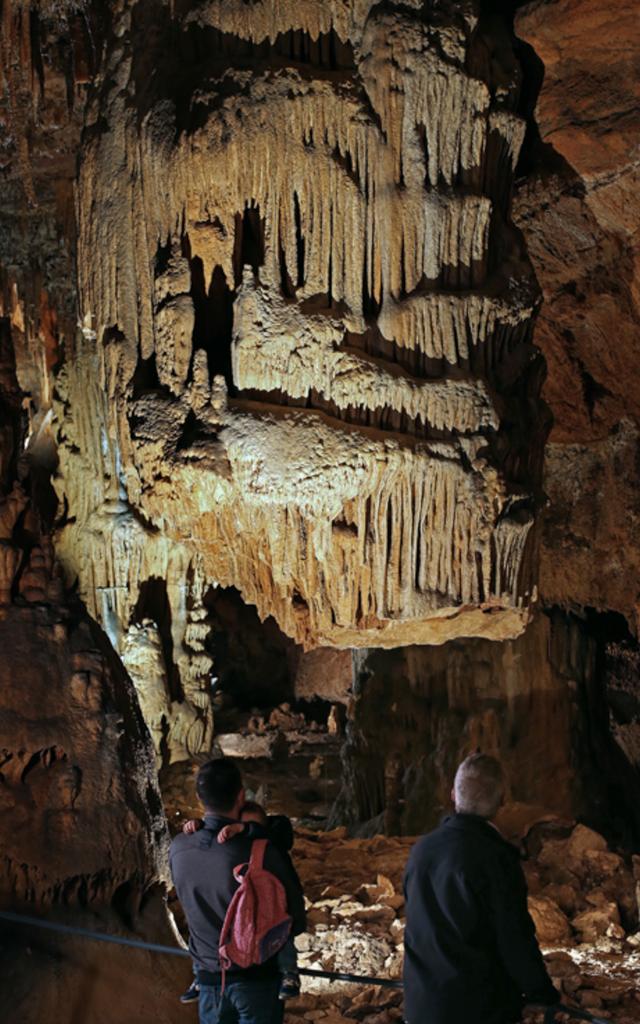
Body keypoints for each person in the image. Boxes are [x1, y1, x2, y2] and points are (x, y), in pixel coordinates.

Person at [403, 753, 559, 1024]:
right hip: (477, 1010)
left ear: (453, 794)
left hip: (422, 1006)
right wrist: (541, 991)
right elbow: (513, 938)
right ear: (502, 801)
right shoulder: (497, 859)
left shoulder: (421, 851)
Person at [170, 759, 306, 1024]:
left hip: (209, 982)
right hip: (257, 982)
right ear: (241, 796)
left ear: (199, 798)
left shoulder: (178, 848)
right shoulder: (261, 851)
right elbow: (296, 919)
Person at [180, 799, 302, 1002]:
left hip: (270, 909)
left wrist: (246, 829)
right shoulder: (230, 848)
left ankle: (289, 974)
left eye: (250, 828)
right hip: (239, 908)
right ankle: (200, 976)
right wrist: (199, 825)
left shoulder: (272, 842)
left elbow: (279, 832)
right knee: (204, 929)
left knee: (283, 936)